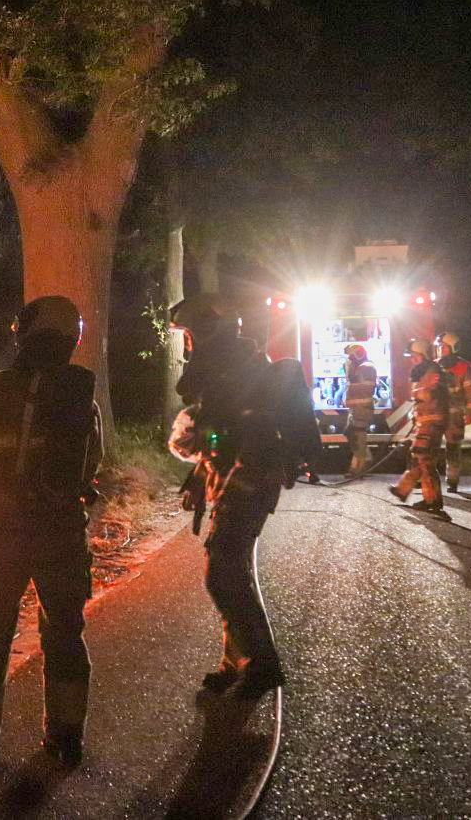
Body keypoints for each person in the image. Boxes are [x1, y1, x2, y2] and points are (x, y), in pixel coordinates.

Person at [0, 295, 102, 768]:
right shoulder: (81, 393)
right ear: (71, 341)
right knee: (64, 633)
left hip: (6, 533)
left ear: (23, 333)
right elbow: (90, 460)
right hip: (60, 531)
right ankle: (65, 737)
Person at [167, 296, 320, 700]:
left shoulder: (231, 368)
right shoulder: (229, 366)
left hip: (250, 477)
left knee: (223, 570)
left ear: (207, 333)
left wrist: (206, 438)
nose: (188, 345)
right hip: (234, 475)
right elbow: (215, 428)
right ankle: (238, 663)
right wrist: (200, 468)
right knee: (229, 566)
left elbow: (225, 426)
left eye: (190, 335)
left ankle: (262, 663)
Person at [389, 338, 449, 512]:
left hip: (432, 422)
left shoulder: (432, 371)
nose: (411, 359)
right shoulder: (424, 370)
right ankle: (403, 490)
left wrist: (416, 393)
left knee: (424, 460)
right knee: (418, 457)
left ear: (422, 354)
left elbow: (427, 394)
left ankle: (433, 501)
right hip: (425, 421)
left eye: (414, 356)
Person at [435, 332, 471, 492]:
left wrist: (470, 412)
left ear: (452, 348)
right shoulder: (434, 365)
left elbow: (470, 391)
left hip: (454, 415)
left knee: (453, 447)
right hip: (436, 413)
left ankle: (452, 480)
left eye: (443, 347)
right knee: (431, 446)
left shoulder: (464, 367)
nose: (440, 349)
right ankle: (426, 477)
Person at [344, 344, 378, 476]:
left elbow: (362, 386)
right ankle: (364, 461)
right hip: (356, 407)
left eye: (351, 356)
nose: (350, 359)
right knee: (352, 434)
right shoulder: (361, 367)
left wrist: (350, 370)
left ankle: (359, 467)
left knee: (358, 436)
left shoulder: (366, 368)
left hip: (362, 408)